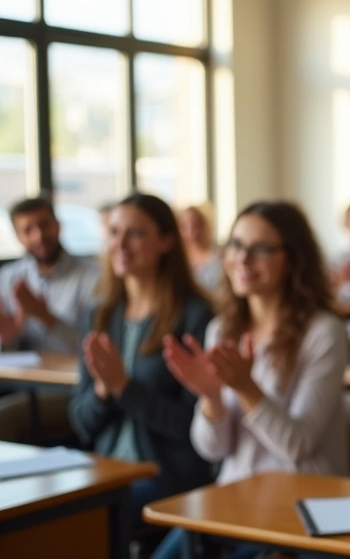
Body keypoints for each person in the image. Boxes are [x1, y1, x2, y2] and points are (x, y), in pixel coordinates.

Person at [158, 201, 350, 559]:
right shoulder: (222, 329)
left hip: (300, 505)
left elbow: (298, 445)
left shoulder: (324, 332)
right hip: (233, 499)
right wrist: (211, 398)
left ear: (293, 259)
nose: (242, 259)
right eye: (235, 245)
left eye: (260, 249)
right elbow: (213, 450)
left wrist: (246, 388)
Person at [66, 193, 215, 527]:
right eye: (114, 232)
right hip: (105, 469)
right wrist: (105, 392)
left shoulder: (195, 316)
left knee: (84, 522)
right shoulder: (100, 315)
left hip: (167, 475)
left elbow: (197, 428)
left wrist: (125, 387)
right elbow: (81, 423)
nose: (120, 244)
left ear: (165, 241)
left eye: (135, 233)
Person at [0, 197, 100, 443]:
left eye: (44, 225)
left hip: (74, 390)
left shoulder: (92, 276)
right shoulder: (9, 277)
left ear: (58, 225)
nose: (39, 235)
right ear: (18, 237)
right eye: (28, 230)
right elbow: (7, 345)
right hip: (21, 384)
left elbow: (95, 345)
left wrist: (45, 317)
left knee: (5, 418)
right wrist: (10, 334)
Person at [179, 204, 223, 294]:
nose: (191, 231)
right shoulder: (177, 257)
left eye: (196, 224)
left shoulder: (220, 254)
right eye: (184, 226)